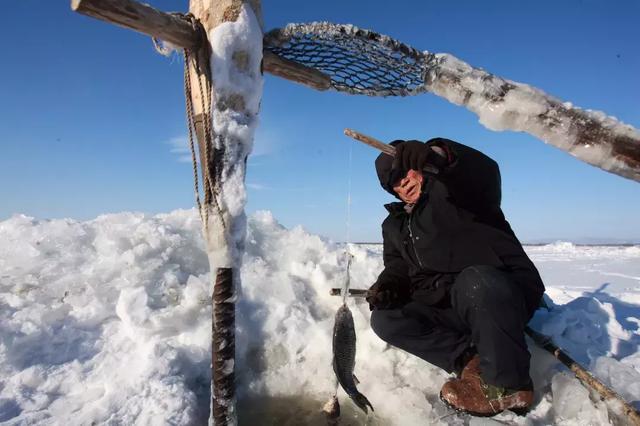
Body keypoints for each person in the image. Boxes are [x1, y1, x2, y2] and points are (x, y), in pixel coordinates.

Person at [367, 137, 545, 416]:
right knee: (385, 318)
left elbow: (483, 174)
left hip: (500, 295)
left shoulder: (457, 193)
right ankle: (469, 358)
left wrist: (441, 155)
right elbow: (397, 266)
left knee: (475, 281)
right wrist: (389, 285)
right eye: (394, 182)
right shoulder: (394, 224)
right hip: (451, 303)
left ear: (420, 167)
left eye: (405, 171)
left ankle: (507, 386)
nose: (403, 182)